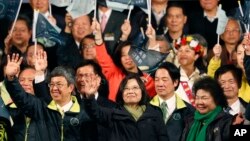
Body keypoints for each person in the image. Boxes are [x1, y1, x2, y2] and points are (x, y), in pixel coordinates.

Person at [4, 53, 93, 141]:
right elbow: (20, 97)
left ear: (70, 87)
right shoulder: (41, 107)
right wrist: (11, 78)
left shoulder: (83, 112)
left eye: (59, 84)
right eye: (52, 84)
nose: (54, 88)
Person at [84, 74, 168, 141]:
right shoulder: (113, 114)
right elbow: (94, 111)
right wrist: (90, 97)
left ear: (142, 91)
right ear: (121, 93)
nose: (130, 91)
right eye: (126, 89)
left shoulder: (154, 113)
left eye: (135, 88)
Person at [92, 19, 156, 101]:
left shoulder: (148, 79)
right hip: (115, 112)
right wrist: (97, 34)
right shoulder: (114, 74)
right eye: (123, 55)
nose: (127, 58)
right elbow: (103, 57)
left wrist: (152, 39)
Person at [150, 62, 195, 141]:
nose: (160, 84)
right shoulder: (145, 108)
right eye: (157, 80)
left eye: (164, 80)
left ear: (175, 82)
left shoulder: (189, 111)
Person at [181, 76, 233, 141]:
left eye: (204, 98)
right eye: (197, 98)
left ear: (216, 99)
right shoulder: (190, 120)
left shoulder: (228, 122)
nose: (199, 102)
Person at [174, 35, 206, 106]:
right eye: (180, 51)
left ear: (196, 56)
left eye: (187, 51)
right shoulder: (172, 77)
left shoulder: (203, 78)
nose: (182, 54)